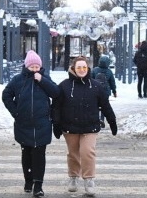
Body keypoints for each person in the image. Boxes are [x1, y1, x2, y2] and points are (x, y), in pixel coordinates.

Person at [51, 56, 117, 196]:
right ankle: (73, 177)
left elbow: (105, 105)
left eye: (84, 67)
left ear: (88, 69)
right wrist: (56, 123)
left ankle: (89, 179)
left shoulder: (95, 86)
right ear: (73, 69)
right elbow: (56, 106)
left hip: (90, 126)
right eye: (79, 67)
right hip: (70, 126)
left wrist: (112, 121)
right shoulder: (64, 86)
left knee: (88, 152)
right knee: (73, 153)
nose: (81, 70)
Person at [2, 50, 60, 197]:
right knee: (27, 155)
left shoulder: (45, 78)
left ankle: (38, 185)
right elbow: (6, 95)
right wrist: (16, 112)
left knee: (39, 155)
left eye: (37, 67)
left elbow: (56, 93)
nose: (34, 69)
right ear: (26, 66)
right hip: (24, 124)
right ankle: (28, 180)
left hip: (42, 124)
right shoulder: (18, 80)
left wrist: (42, 80)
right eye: (32, 67)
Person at [91, 55, 117, 126]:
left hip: (95, 91)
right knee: (104, 106)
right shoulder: (109, 72)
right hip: (105, 92)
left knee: (95, 105)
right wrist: (114, 91)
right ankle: (101, 119)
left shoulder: (94, 70)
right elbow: (112, 83)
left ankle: (96, 119)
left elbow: (90, 80)